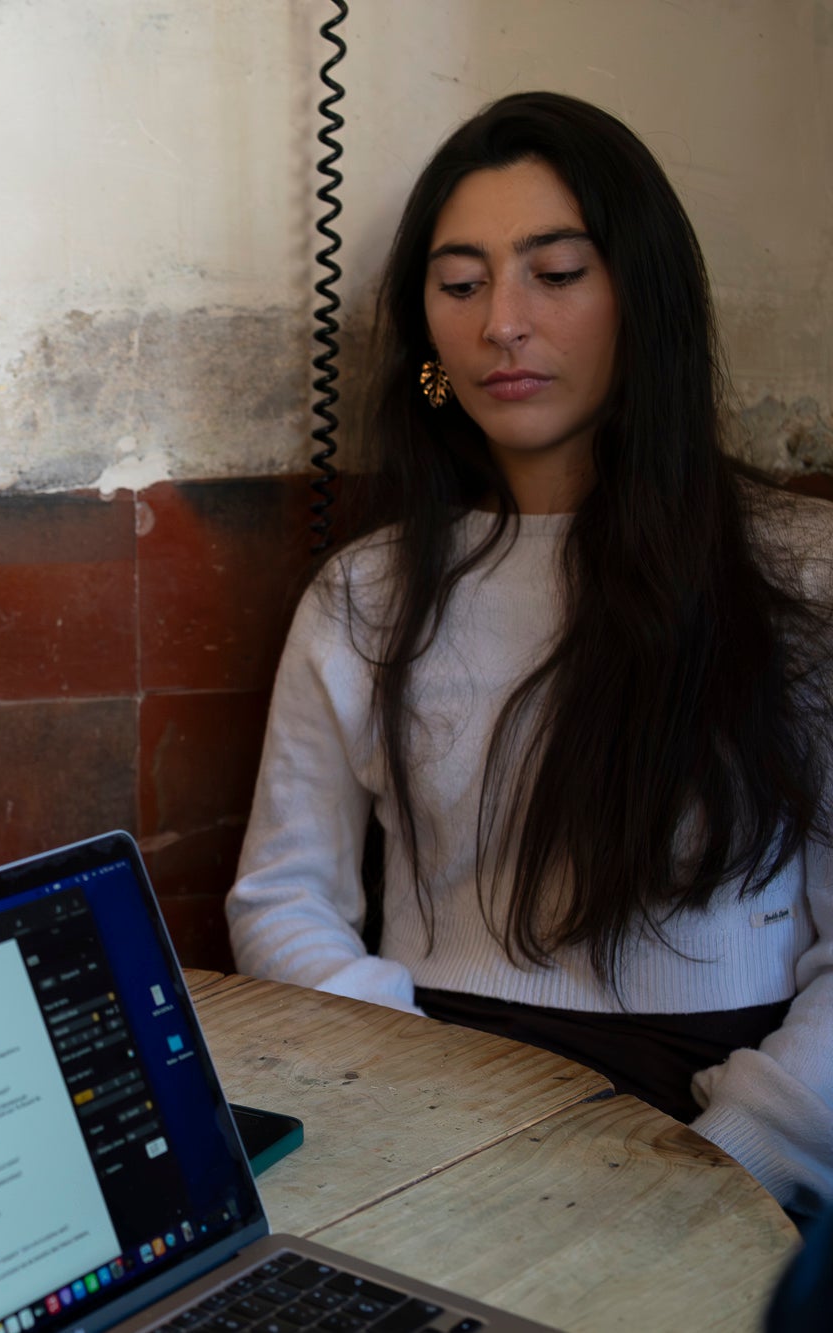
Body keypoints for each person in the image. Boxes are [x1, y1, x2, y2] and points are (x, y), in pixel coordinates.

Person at [226, 92, 833, 1218]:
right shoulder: (364, 593)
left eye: (553, 274)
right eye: (458, 285)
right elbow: (281, 898)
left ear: (638, 301)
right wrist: (427, 1099)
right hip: (434, 1098)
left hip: (729, 1115)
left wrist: (736, 1158)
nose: (500, 321)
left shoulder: (802, 578)